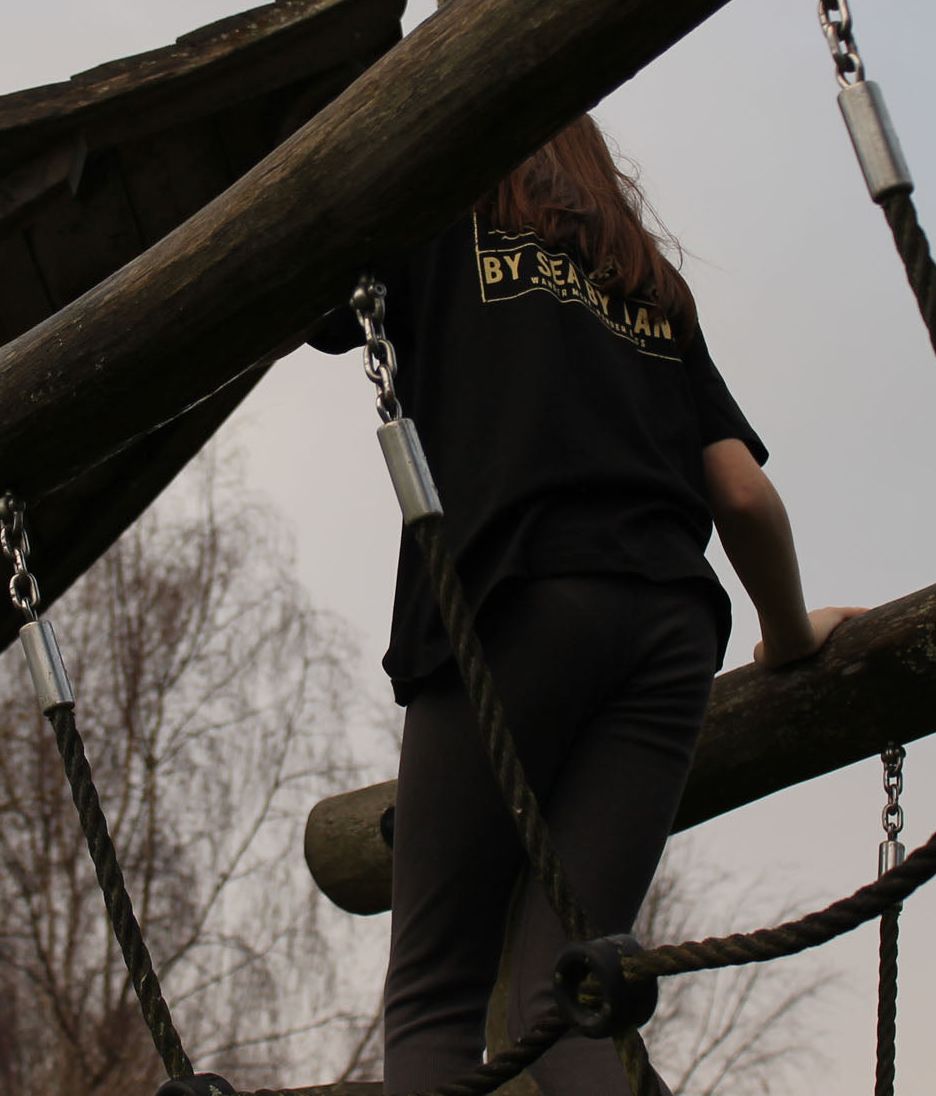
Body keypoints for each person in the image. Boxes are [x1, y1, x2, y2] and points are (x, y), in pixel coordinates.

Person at [311, 114, 861, 1096]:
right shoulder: (645, 283)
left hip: (513, 598)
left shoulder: (428, 227)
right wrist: (786, 634)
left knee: (436, 991)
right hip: (668, 629)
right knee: (568, 993)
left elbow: (289, 277)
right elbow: (740, 495)